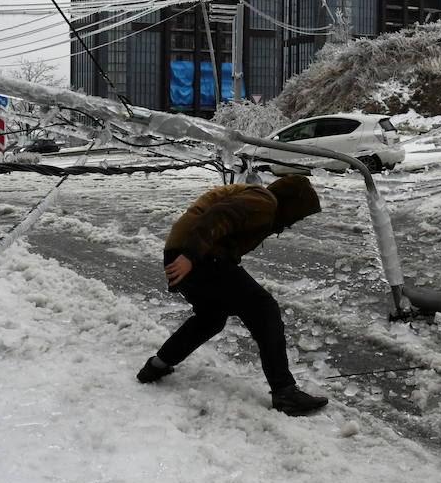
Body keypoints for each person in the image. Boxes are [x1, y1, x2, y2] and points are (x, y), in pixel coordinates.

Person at [136, 174, 329, 416]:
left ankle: (156, 366)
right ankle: (285, 392)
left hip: (188, 253)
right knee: (264, 308)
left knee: (211, 317)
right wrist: (190, 256)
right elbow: (218, 216)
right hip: (196, 255)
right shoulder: (265, 201)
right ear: (291, 203)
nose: (292, 223)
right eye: (298, 215)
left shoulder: (260, 202)